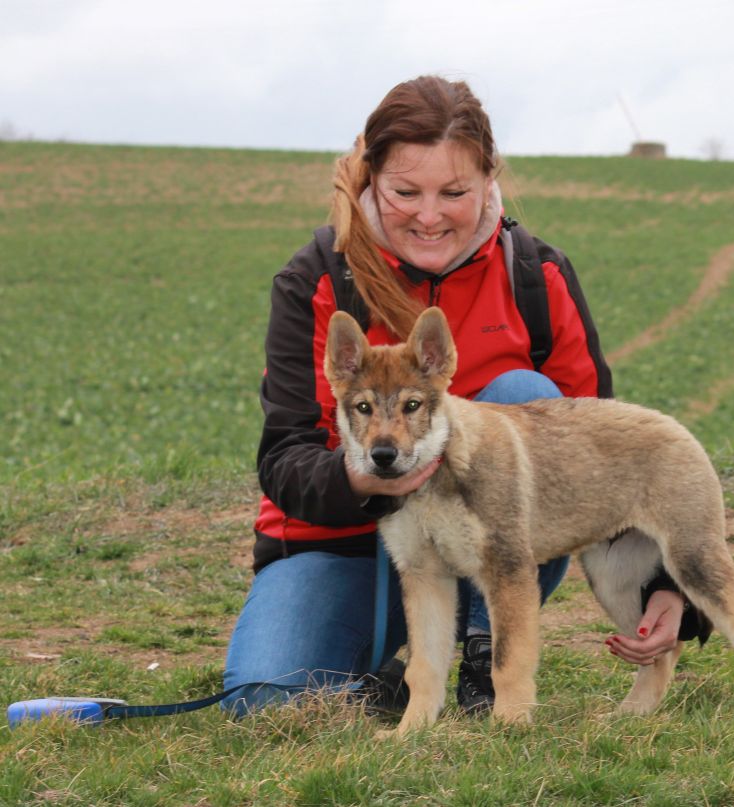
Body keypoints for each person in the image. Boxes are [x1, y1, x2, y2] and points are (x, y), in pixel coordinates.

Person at [222, 76, 705, 717]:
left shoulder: (535, 275)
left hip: (491, 547)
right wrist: (370, 480)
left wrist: (665, 586)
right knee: (265, 699)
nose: (429, 215)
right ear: (371, 180)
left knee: (527, 395)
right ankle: (391, 677)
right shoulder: (315, 279)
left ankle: (486, 656)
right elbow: (283, 458)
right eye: (404, 191)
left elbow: (606, 449)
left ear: (488, 180)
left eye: (454, 192)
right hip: (342, 542)